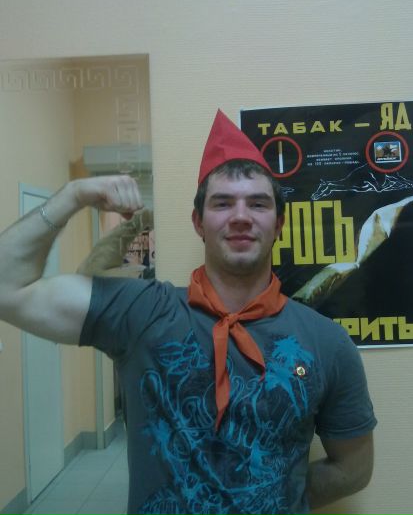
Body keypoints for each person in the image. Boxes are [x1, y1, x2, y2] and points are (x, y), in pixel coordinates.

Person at [0, 110, 376, 514]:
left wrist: (274, 496)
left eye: (258, 203)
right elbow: (8, 289)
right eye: (222, 203)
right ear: (198, 222)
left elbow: (353, 468)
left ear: (279, 223)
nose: (241, 216)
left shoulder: (326, 342)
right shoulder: (141, 312)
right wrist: (73, 195)